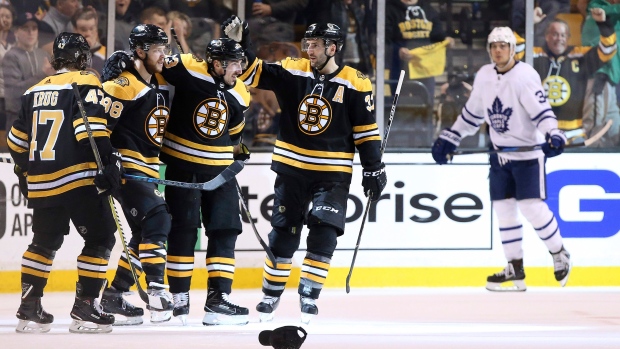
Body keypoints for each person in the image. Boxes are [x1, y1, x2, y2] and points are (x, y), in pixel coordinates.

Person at [222, 17, 386, 323]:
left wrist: (373, 168)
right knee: (284, 233)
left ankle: (309, 296)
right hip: (292, 168)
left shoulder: (356, 82)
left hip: (333, 173)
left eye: (315, 45)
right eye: (306, 44)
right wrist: (241, 44)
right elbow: (250, 72)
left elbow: (366, 132)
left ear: (333, 47)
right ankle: (271, 295)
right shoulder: (292, 69)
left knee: (324, 232)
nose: (308, 49)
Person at [100, 37, 252, 325]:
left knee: (225, 230)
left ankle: (217, 299)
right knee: (179, 230)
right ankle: (178, 297)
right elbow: (149, 67)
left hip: (220, 174)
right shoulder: (187, 67)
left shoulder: (241, 91)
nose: (240, 69)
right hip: (182, 169)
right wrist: (122, 63)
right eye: (234, 63)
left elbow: (235, 134)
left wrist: (238, 152)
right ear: (217, 63)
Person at [431, 27, 572, 292]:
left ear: (512, 48)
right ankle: (515, 269)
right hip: (500, 156)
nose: (498, 50)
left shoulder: (525, 76)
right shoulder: (484, 75)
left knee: (532, 207)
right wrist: (451, 136)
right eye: (493, 46)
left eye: (502, 46)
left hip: (527, 155)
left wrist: (553, 133)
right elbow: (472, 115)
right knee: (504, 211)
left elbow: (542, 112)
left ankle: (559, 253)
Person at [7, 32, 122, 333]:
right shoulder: (85, 81)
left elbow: (15, 142)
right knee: (100, 238)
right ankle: (85, 307)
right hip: (78, 180)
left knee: (43, 242)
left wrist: (25, 172)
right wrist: (109, 165)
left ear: (56, 60)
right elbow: (90, 133)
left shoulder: (31, 92)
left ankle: (28, 307)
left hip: (43, 182)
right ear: (83, 58)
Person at [99, 24, 174, 326]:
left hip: (147, 170)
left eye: (165, 49)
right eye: (157, 49)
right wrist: (109, 161)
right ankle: (156, 287)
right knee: (159, 217)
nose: (163, 56)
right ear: (140, 52)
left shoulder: (155, 86)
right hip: (128, 171)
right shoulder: (124, 85)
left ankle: (115, 293)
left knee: (144, 233)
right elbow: (95, 125)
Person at [516, 8, 617, 143]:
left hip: (574, 132)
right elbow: (514, 51)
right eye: (555, 34)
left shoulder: (580, 55)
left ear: (569, 38)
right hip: (540, 130)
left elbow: (608, 50)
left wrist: (603, 23)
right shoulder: (534, 54)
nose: (559, 39)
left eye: (563, 35)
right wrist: (528, 24)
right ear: (547, 36)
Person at [386, 0, 455, 105]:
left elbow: (438, 37)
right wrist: (397, 51)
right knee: (399, 110)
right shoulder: (389, 9)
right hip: (400, 70)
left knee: (426, 109)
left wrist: (447, 41)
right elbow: (383, 42)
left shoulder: (428, 9)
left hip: (425, 71)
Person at [2, 12, 56, 133]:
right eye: (25, 28)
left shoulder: (43, 55)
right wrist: (43, 75)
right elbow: (13, 93)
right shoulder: (11, 56)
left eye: (34, 28)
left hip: (42, 119)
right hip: (19, 121)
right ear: (16, 32)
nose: (31, 32)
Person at [581, 0, 620, 146]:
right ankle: (588, 161)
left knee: (613, 128)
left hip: (611, 78)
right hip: (599, 75)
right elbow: (599, 9)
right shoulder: (597, 6)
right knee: (595, 128)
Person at [71, 6, 106, 74]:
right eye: (83, 30)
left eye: (92, 28)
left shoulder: (107, 53)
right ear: (75, 31)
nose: (88, 34)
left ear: (96, 29)